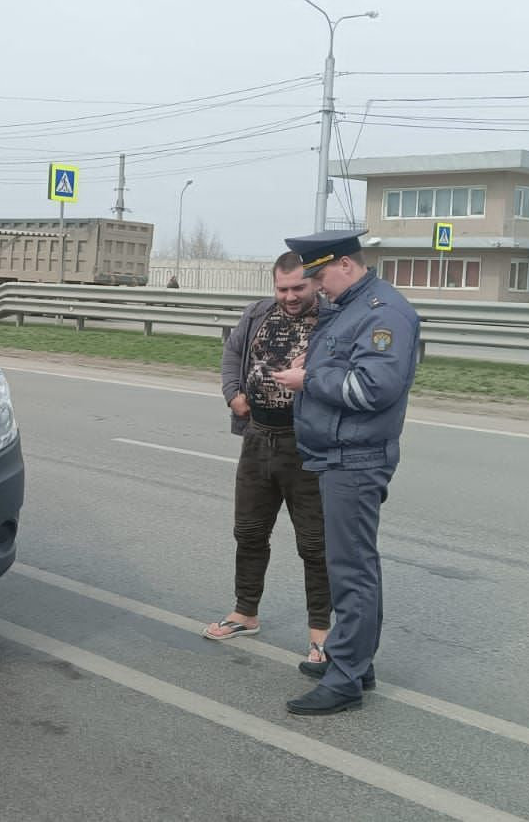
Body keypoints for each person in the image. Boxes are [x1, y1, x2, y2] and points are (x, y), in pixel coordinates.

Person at [273, 230, 420, 716]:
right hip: (339, 453)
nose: (315, 287)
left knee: (351, 569)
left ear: (345, 266)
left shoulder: (383, 313)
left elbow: (373, 388)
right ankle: (355, 660)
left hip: (355, 457)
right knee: (353, 564)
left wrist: (308, 379)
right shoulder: (354, 307)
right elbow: (345, 360)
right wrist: (311, 361)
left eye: (318, 277)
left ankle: (345, 680)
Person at [202, 252, 330, 663]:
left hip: (306, 445)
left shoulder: (333, 320)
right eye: (282, 288)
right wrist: (232, 395)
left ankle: (320, 634)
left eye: (298, 288)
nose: (290, 296)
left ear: (314, 283)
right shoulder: (257, 314)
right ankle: (245, 612)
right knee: (250, 533)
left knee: (315, 543)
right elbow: (230, 355)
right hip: (258, 438)